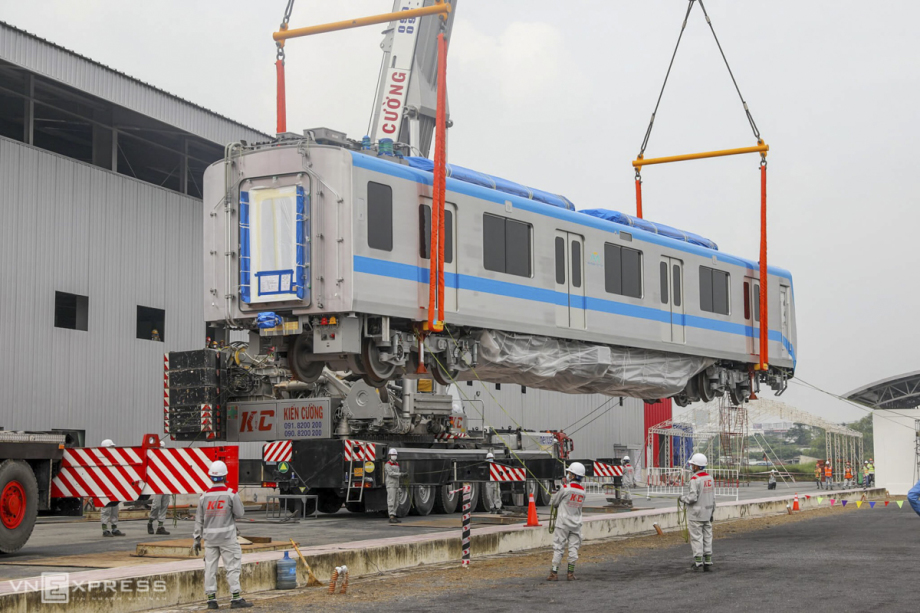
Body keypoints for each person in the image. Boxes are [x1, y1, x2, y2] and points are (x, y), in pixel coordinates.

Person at [193, 460, 252, 609]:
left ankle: (211, 600)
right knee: (232, 567)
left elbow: (198, 520)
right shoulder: (231, 494)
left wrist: (196, 539)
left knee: (210, 569)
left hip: (210, 540)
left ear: (211, 477)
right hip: (227, 538)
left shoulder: (203, 496)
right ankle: (235, 598)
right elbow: (240, 513)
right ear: (225, 476)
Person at [548, 462, 586, 582]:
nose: (568, 475)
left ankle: (554, 573)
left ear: (573, 476)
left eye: (569, 473)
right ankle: (570, 573)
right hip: (576, 524)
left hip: (563, 523)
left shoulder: (565, 489)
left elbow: (555, 503)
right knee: (573, 548)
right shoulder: (583, 492)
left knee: (558, 547)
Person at [679, 453, 715, 571]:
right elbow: (713, 498)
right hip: (708, 513)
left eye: (692, 464)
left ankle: (698, 562)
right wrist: (712, 513)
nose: (691, 466)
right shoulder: (709, 478)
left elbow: (692, 498)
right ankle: (708, 561)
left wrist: (682, 498)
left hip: (696, 514)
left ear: (696, 466)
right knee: (707, 537)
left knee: (696, 538)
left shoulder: (695, 479)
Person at [99, 439, 126, 537]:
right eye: (111, 447)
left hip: (115, 487)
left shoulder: (115, 458)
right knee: (106, 509)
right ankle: (105, 529)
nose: (113, 449)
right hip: (105, 487)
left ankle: (114, 528)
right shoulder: (100, 459)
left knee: (115, 508)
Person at [148, 442, 171, 535]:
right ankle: (150, 522)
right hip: (157, 485)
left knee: (164, 505)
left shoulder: (167, 459)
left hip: (166, 485)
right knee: (156, 505)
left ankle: (160, 526)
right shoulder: (152, 458)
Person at [385, 448, 404, 524]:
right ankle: (391, 516)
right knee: (391, 500)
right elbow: (390, 473)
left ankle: (394, 515)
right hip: (391, 484)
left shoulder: (397, 464)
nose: (394, 456)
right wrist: (400, 474)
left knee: (396, 501)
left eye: (395, 455)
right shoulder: (387, 464)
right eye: (393, 455)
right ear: (389, 456)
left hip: (396, 484)